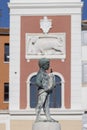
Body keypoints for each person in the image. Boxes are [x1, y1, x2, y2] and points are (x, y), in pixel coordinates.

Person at [35, 58, 57, 122]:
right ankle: (38, 117)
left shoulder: (45, 73)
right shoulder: (40, 73)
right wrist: (45, 87)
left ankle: (48, 117)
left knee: (46, 105)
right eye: (48, 64)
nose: (48, 66)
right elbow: (37, 82)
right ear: (43, 65)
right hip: (43, 91)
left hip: (46, 91)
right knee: (40, 104)